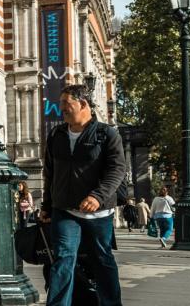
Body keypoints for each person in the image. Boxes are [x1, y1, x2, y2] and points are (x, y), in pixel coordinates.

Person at [39, 83, 127, 306]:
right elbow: (50, 173)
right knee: (63, 260)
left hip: (99, 214)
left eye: (66, 104)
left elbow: (117, 170)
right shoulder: (56, 135)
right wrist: (47, 206)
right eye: (61, 104)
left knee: (102, 260)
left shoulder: (107, 134)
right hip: (64, 211)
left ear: (83, 104)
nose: (62, 109)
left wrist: (97, 196)